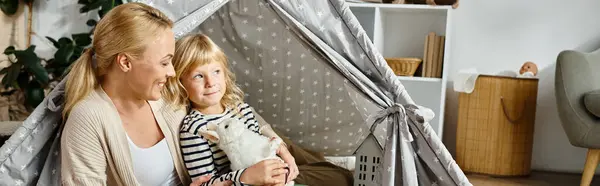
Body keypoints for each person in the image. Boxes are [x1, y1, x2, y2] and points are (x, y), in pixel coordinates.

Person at [172, 33, 354, 186]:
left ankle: (325, 162)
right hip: (260, 179)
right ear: (181, 82)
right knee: (343, 178)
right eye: (198, 76)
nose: (210, 83)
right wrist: (247, 176)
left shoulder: (238, 108)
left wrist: (281, 153)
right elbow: (206, 183)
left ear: (225, 74)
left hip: (273, 159)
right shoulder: (195, 129)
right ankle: (327, 165)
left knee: (298, 152)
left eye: (216, 72)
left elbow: (261, 140)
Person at [59, 3, 210, 186]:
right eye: (164, 63)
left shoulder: (167, 99)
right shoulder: (88, 119)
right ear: (125, 62)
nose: (171, 72)